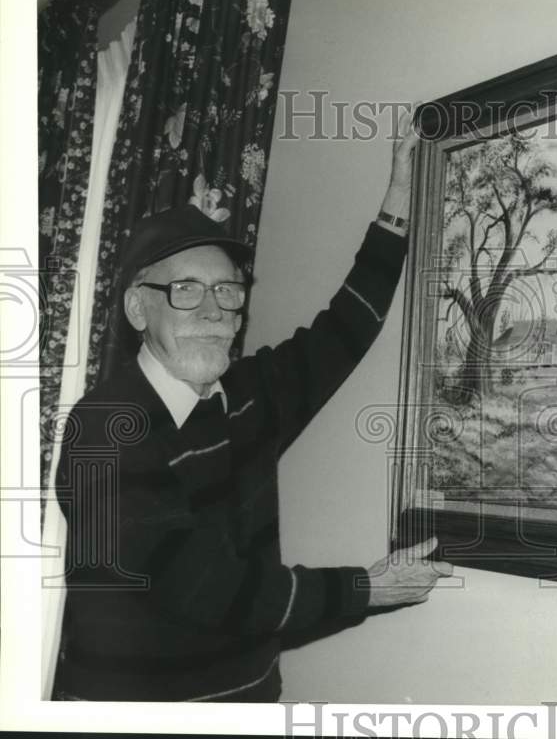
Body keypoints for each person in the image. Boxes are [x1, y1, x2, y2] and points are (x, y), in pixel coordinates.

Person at [52, 117, 451, 702]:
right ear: (139, 309)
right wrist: (368, 588)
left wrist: (397, 201)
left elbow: (345, 327)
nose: (214, 310)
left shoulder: (246, 395)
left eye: (228, 292)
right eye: (185, 291)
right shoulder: (104, 429)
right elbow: (205, 589)